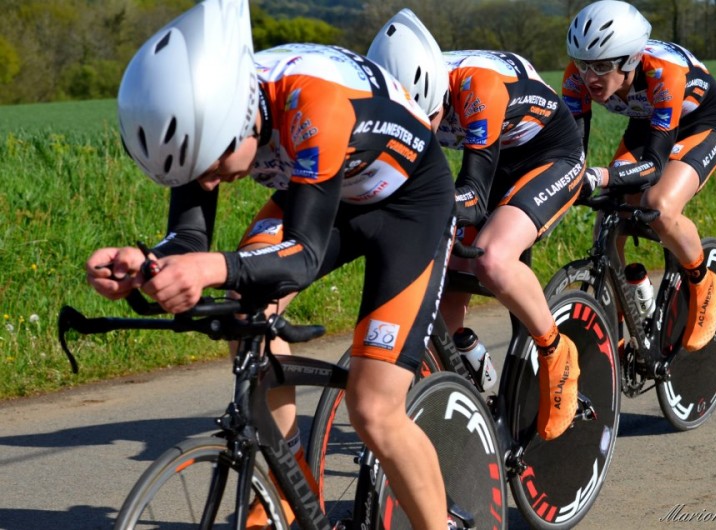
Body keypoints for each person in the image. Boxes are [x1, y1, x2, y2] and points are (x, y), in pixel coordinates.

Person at [85, 1, 457, 528]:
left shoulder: (314, 105)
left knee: (374, 410)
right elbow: (189, 239)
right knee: (243, 306)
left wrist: (208, 268)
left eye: (211, 164)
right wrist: (144, 264)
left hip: (408, 206)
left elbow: (301, 257)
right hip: (320, 188)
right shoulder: (208, 116)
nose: (207, 182)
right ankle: (288, 483)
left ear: (239, 120)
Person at [368, 9, 585, 441]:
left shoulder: (475, 88)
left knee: (491, 258)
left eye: (423, 123)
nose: (417, 134)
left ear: (436, 97)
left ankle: (557, 352)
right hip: (496, 157)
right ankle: (473, 383)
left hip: (548, 158)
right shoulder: (405, 90)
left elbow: (472, 194)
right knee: (444, 286)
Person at [563, 0, 716, 352]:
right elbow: (571, 154)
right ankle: (627, 324)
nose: (589, 77)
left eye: (601, 66)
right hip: (649, 123)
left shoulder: (662, 72)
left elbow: (654, 165)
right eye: (582, 65)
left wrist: (602, 176)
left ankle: (703, 283)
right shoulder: (575, 79)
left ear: (629, 60)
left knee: (659, 206)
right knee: (606, 222)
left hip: (699, 124)